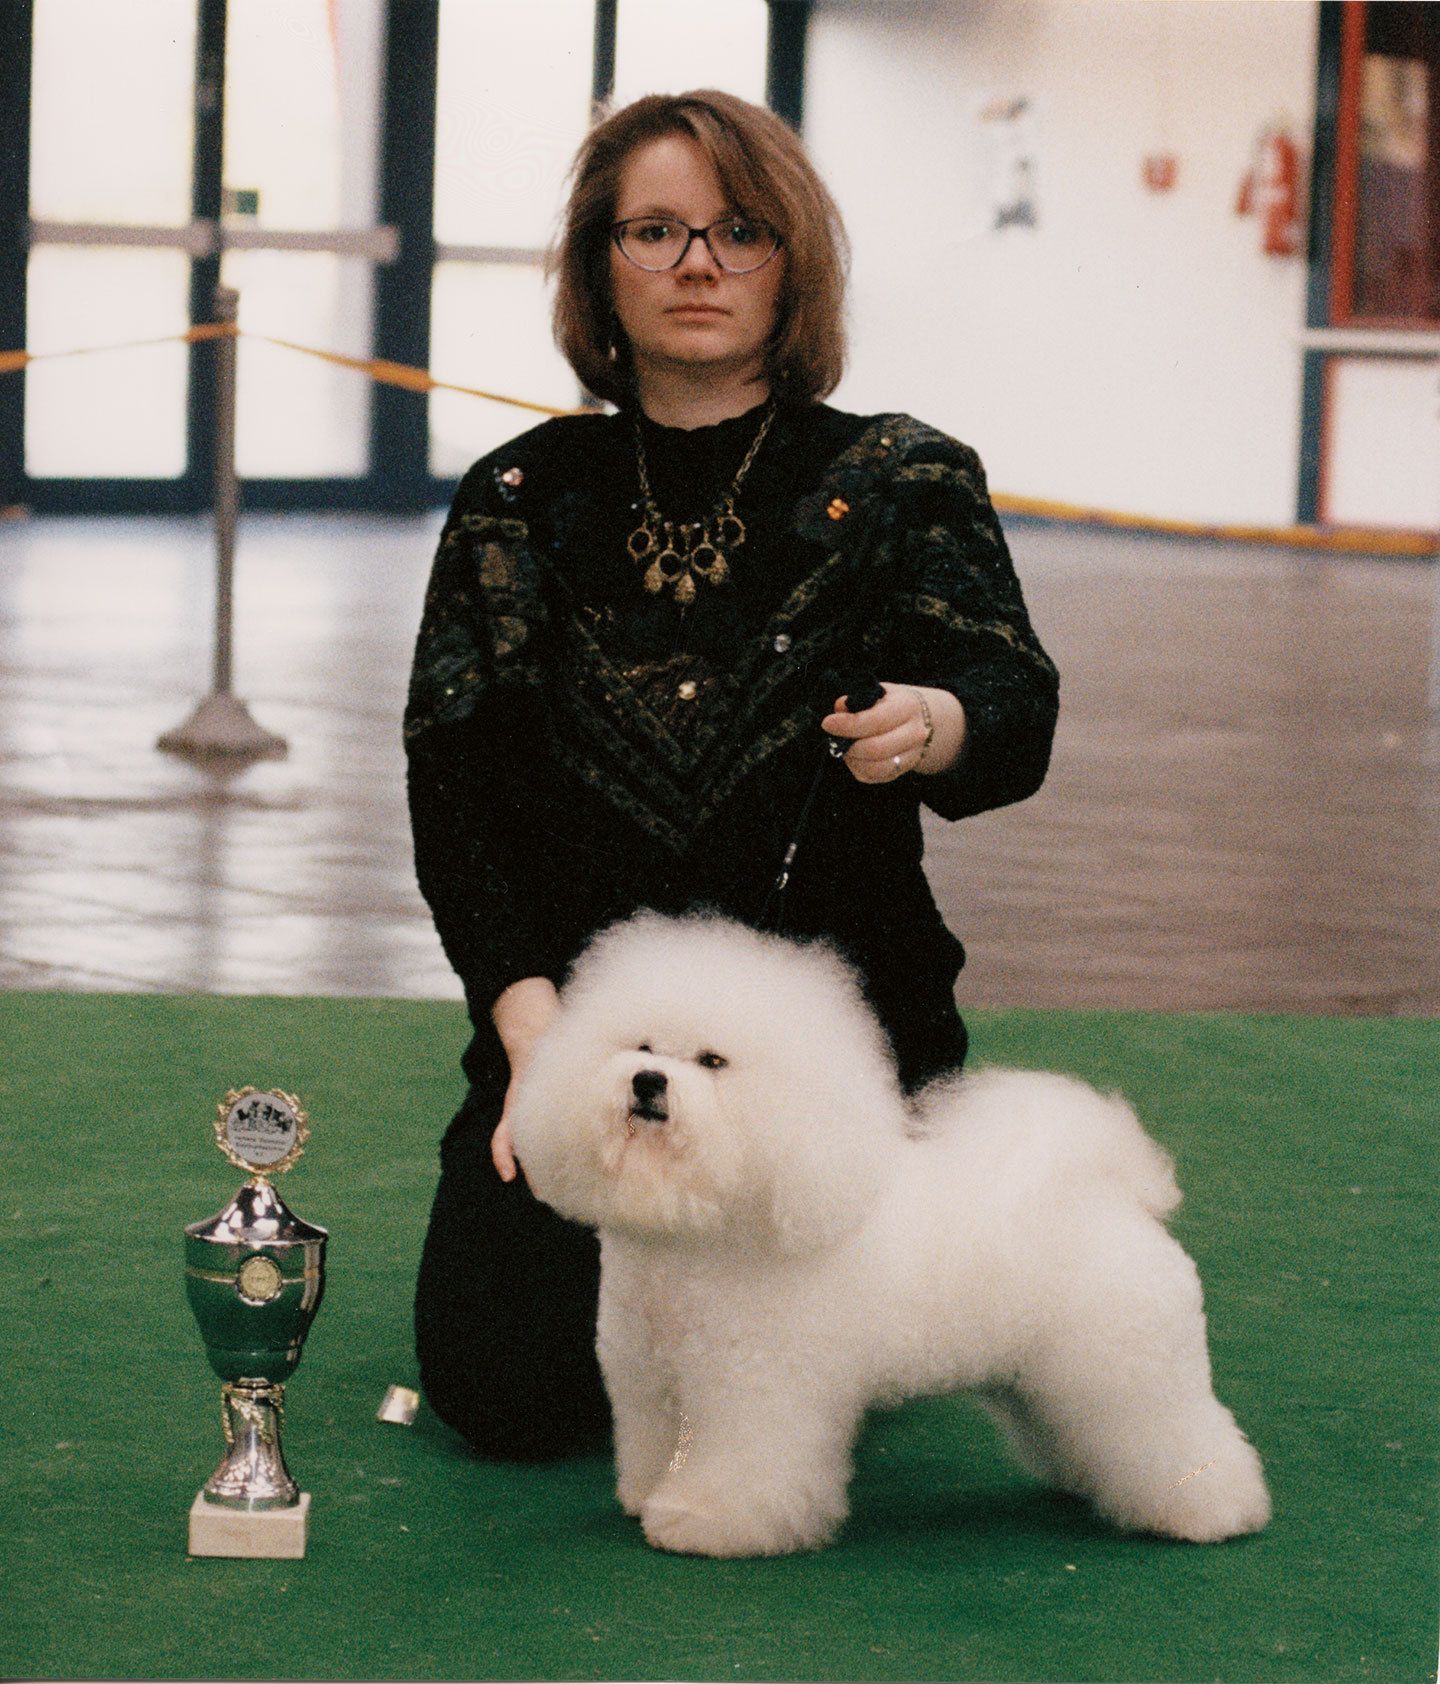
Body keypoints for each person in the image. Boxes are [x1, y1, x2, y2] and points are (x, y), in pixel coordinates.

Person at [405, 89, 1059, 1462]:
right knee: (513, 1395)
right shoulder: (516, 497)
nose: (698, 264)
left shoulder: (902, 476)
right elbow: (453, 782)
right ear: (600, 266)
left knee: (813, 1364)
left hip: (843, 1051)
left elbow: (1013, 706)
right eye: (655, 230)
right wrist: (534, 1040)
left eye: (739, 230)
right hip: (593, 1049)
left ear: (793, 262)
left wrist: (932, 721)